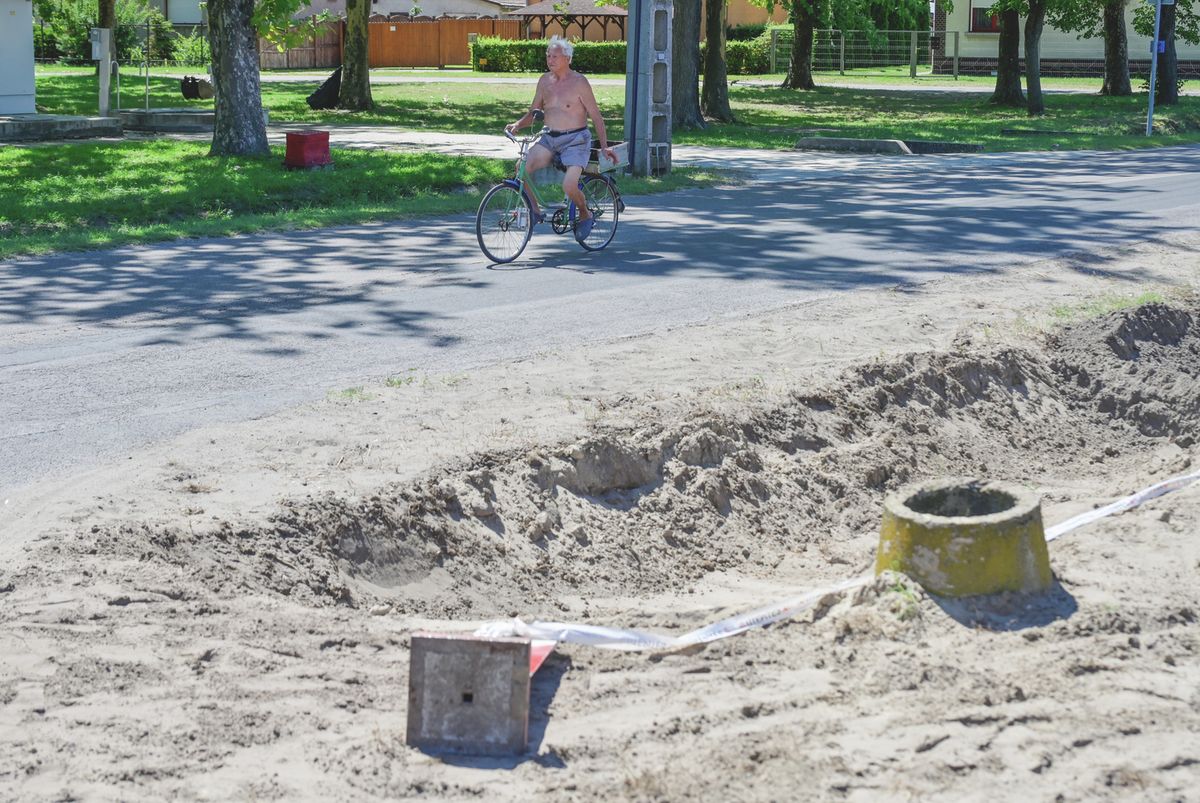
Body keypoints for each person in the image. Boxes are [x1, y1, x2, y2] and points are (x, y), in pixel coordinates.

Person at [505, 36, 617, 242]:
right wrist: (518, 124)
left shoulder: (579, 82)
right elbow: (534, 112)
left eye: (555, 56)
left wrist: (603, 148)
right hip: (550, 138)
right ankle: (535, 211)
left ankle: (585, 213)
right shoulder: (544, 81)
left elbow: (596, 116)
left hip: (576, 141)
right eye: (548, 55)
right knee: (521, 168)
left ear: (568, 58)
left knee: (569, 185)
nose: (550, 59)